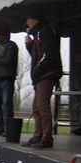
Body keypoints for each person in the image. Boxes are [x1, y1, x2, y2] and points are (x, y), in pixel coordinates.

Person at [21, 10, 63, 149]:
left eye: (28, 20)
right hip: (41, 75)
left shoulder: (46, 32)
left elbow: (47, 55)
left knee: (42, 105)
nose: (27, 23)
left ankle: (47, 138)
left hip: (46, 75)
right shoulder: (40, 34)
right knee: (36, 106)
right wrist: (29, 46)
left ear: (35, 20)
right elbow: (38, 55)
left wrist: (36, 72)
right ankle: (38, 136)